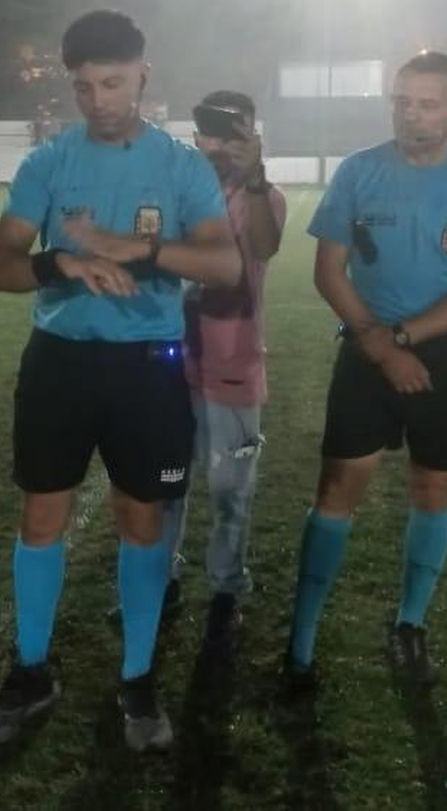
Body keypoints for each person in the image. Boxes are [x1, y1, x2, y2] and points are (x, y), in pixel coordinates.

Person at [0, 9, 241, 751]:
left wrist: (142, 250)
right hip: (59, 362)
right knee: (40, 518)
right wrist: (62, 261)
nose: (98, 101)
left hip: (146, 367)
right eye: (84, 87)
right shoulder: (48, 164)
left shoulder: (182, 167)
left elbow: (225, 265)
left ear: (144, 77)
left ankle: (138, 676)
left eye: (113, 83)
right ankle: (31, 670)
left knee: (141, 519)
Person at [287, 51, 447, 686]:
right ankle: (302, 636)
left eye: (426, 103)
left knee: (433, 488)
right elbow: (327, 270)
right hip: (367, 349)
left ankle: (410, 625)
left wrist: (404, 339)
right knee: (338, 489)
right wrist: (382, 346)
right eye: (401, 100)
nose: (410, 113)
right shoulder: (360, 171)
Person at [156, 90, 286, 664]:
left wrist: (255, 178)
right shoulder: (177, 191)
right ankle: (161, 579)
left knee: (231, 494)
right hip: (166, 362)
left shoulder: (264, 198)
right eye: (209, 131)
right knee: (164, 485)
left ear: (253, 137)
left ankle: (227, 589)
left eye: (232, 133)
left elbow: (264, 245)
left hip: (232, 364)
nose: (218, 144)